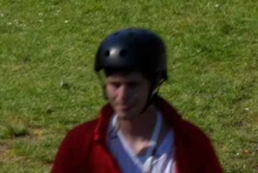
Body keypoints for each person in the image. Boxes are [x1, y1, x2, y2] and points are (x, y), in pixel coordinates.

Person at [51, 29, 225, 173]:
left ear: (155, 84)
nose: (122, 96)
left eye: (133, 85)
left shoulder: (192, 144)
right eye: (115, 84)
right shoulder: (80, 143)